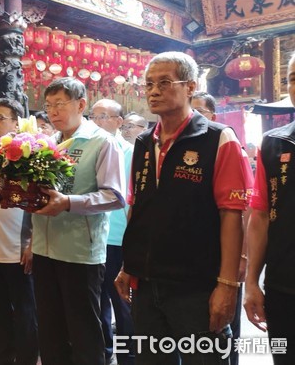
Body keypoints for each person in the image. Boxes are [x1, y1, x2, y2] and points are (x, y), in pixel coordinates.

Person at [116, 51, 251, 364]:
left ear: (190, 87)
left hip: (196, 288)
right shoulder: (144, 142)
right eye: (148, 84)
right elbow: (139, 207)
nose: (153, 91)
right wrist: (128, 265)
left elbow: (232, 214)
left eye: (164, 82)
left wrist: (227, 286)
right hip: (147, 285)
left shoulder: (218, 139)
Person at [32, 77, 126, 365]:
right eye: (48, 106)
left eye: (60, 104)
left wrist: (68, 203)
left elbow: (114, 196)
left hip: (79, 252)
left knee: (84, 329)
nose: (53, 112)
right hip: (43, 248)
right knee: (49, 327)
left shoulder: (102, 142)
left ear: (81, 104)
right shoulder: (46, 144)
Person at [192, 90, 253, 365]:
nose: (192, 116)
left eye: (200, 112)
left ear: (212, 116)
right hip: (197, 257)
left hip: (225, 254)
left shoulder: (225, 143)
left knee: (226, 325)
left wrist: (242, 256)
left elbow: (244, 209)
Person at [0, 98, 39, 365]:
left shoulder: (32, 156)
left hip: (18, 249)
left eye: (0, 118)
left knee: (25, 311)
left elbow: (39, 205)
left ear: (17, 123)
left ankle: (25, 358)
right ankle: (2, 357)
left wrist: (33, 243)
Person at [244, 54, 295, 365]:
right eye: (292, 78)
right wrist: (252, 281)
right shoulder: (274, 143)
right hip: (283, 286)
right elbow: (260, 215)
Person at [90, 99, 135, 365]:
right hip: (95, 238)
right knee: (98, 303)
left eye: (104, 116)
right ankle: (104, 352)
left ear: (120, 122)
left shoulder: (130, 152)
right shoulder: (87, 149)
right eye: (93, 117)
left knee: (124, 304)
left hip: (120, 240)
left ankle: (129, 356)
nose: (97, 122)